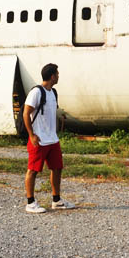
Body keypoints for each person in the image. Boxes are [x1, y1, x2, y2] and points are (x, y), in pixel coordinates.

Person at [23, 63, 74, 214]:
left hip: (52, 139)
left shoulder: (53, 92)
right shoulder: (36, 92)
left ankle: (56, 200)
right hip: (39, 140)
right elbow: (26, 113)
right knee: (33, 170)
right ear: (52, 76)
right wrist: (31, 135)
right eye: (57, 74)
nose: (58, 76)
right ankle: (30, 202)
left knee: (57, 168)